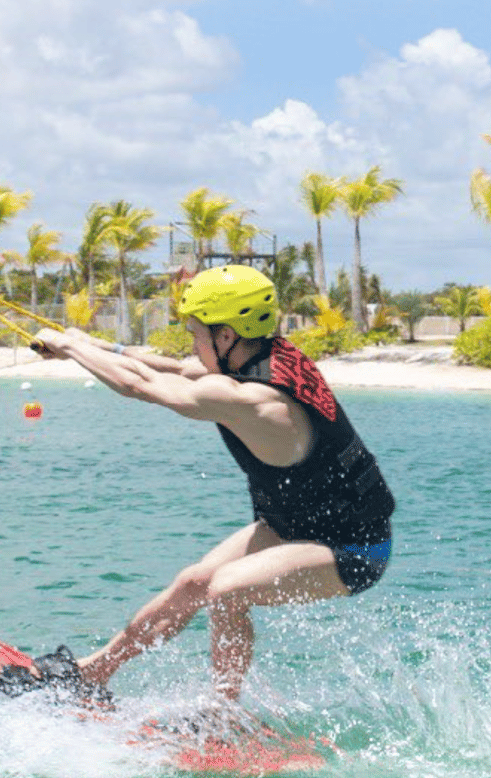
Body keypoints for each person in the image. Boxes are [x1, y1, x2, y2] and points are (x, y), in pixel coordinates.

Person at [31, 265, 394, 702]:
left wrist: (70, 346)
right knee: (194, 583)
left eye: (195, 332)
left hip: (354, 548)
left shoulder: (254, 401)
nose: (192, 342)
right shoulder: (267, 357)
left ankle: (223, 714)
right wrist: (91, 346)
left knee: (227, 589)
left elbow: (140, 384)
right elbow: (175, 368)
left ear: (226, 336)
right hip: (295, 525)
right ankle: (94, 673)